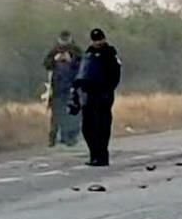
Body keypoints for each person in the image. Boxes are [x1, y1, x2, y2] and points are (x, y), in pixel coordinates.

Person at [71, 28, 122, 166]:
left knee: (102, 126)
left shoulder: (110, 53)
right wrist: (76, 89)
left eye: (99, 39)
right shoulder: (88, 54)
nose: (97, 42)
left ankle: (102, 156)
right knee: (87, 127)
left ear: (104, 39)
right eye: (95, 40)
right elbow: (82, 72)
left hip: (104, 94)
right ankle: (94, 154)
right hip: (89, 94)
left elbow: (116, 75)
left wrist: (108, 89)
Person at [42, 31, 83, 147]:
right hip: (57, 87)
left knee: (73, 113)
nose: (64, 43)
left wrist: (72, 60)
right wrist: (55, 59)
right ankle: (53, 138)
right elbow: (46, 64)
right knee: (56, 113)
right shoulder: (55, 51)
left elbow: (84, 65)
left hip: (72, 86)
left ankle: (69, 137)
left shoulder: (76, 50)